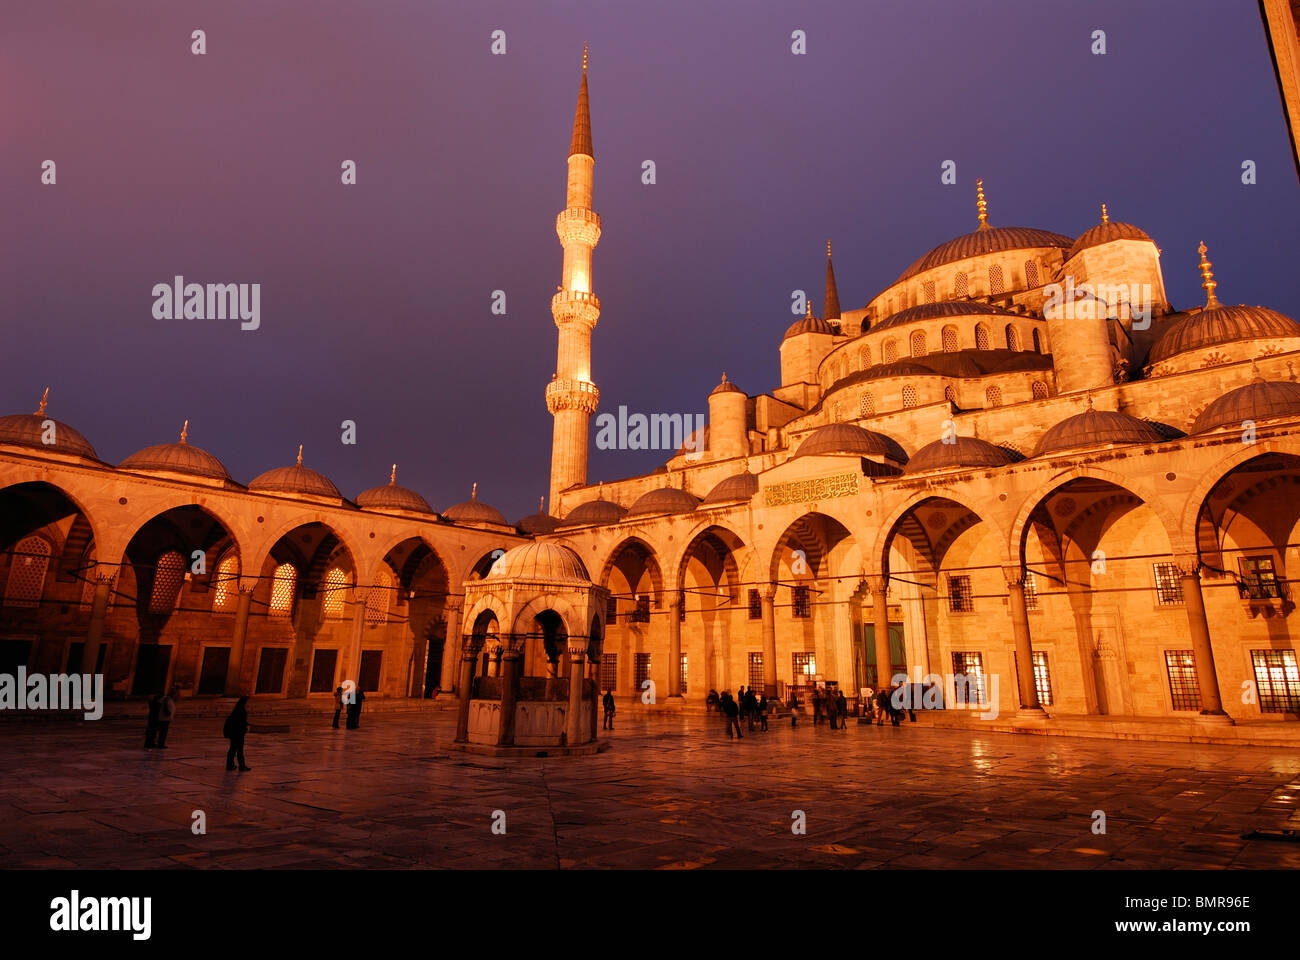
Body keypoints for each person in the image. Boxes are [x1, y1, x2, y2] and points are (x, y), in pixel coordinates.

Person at [223, 697, 251, 771]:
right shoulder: (242, 711)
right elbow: (241, 722)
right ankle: (242, 766)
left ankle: (230, 765)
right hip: (239, 734)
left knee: (232, 749)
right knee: (239, 751)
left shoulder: (236, 710)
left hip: (234, 733)